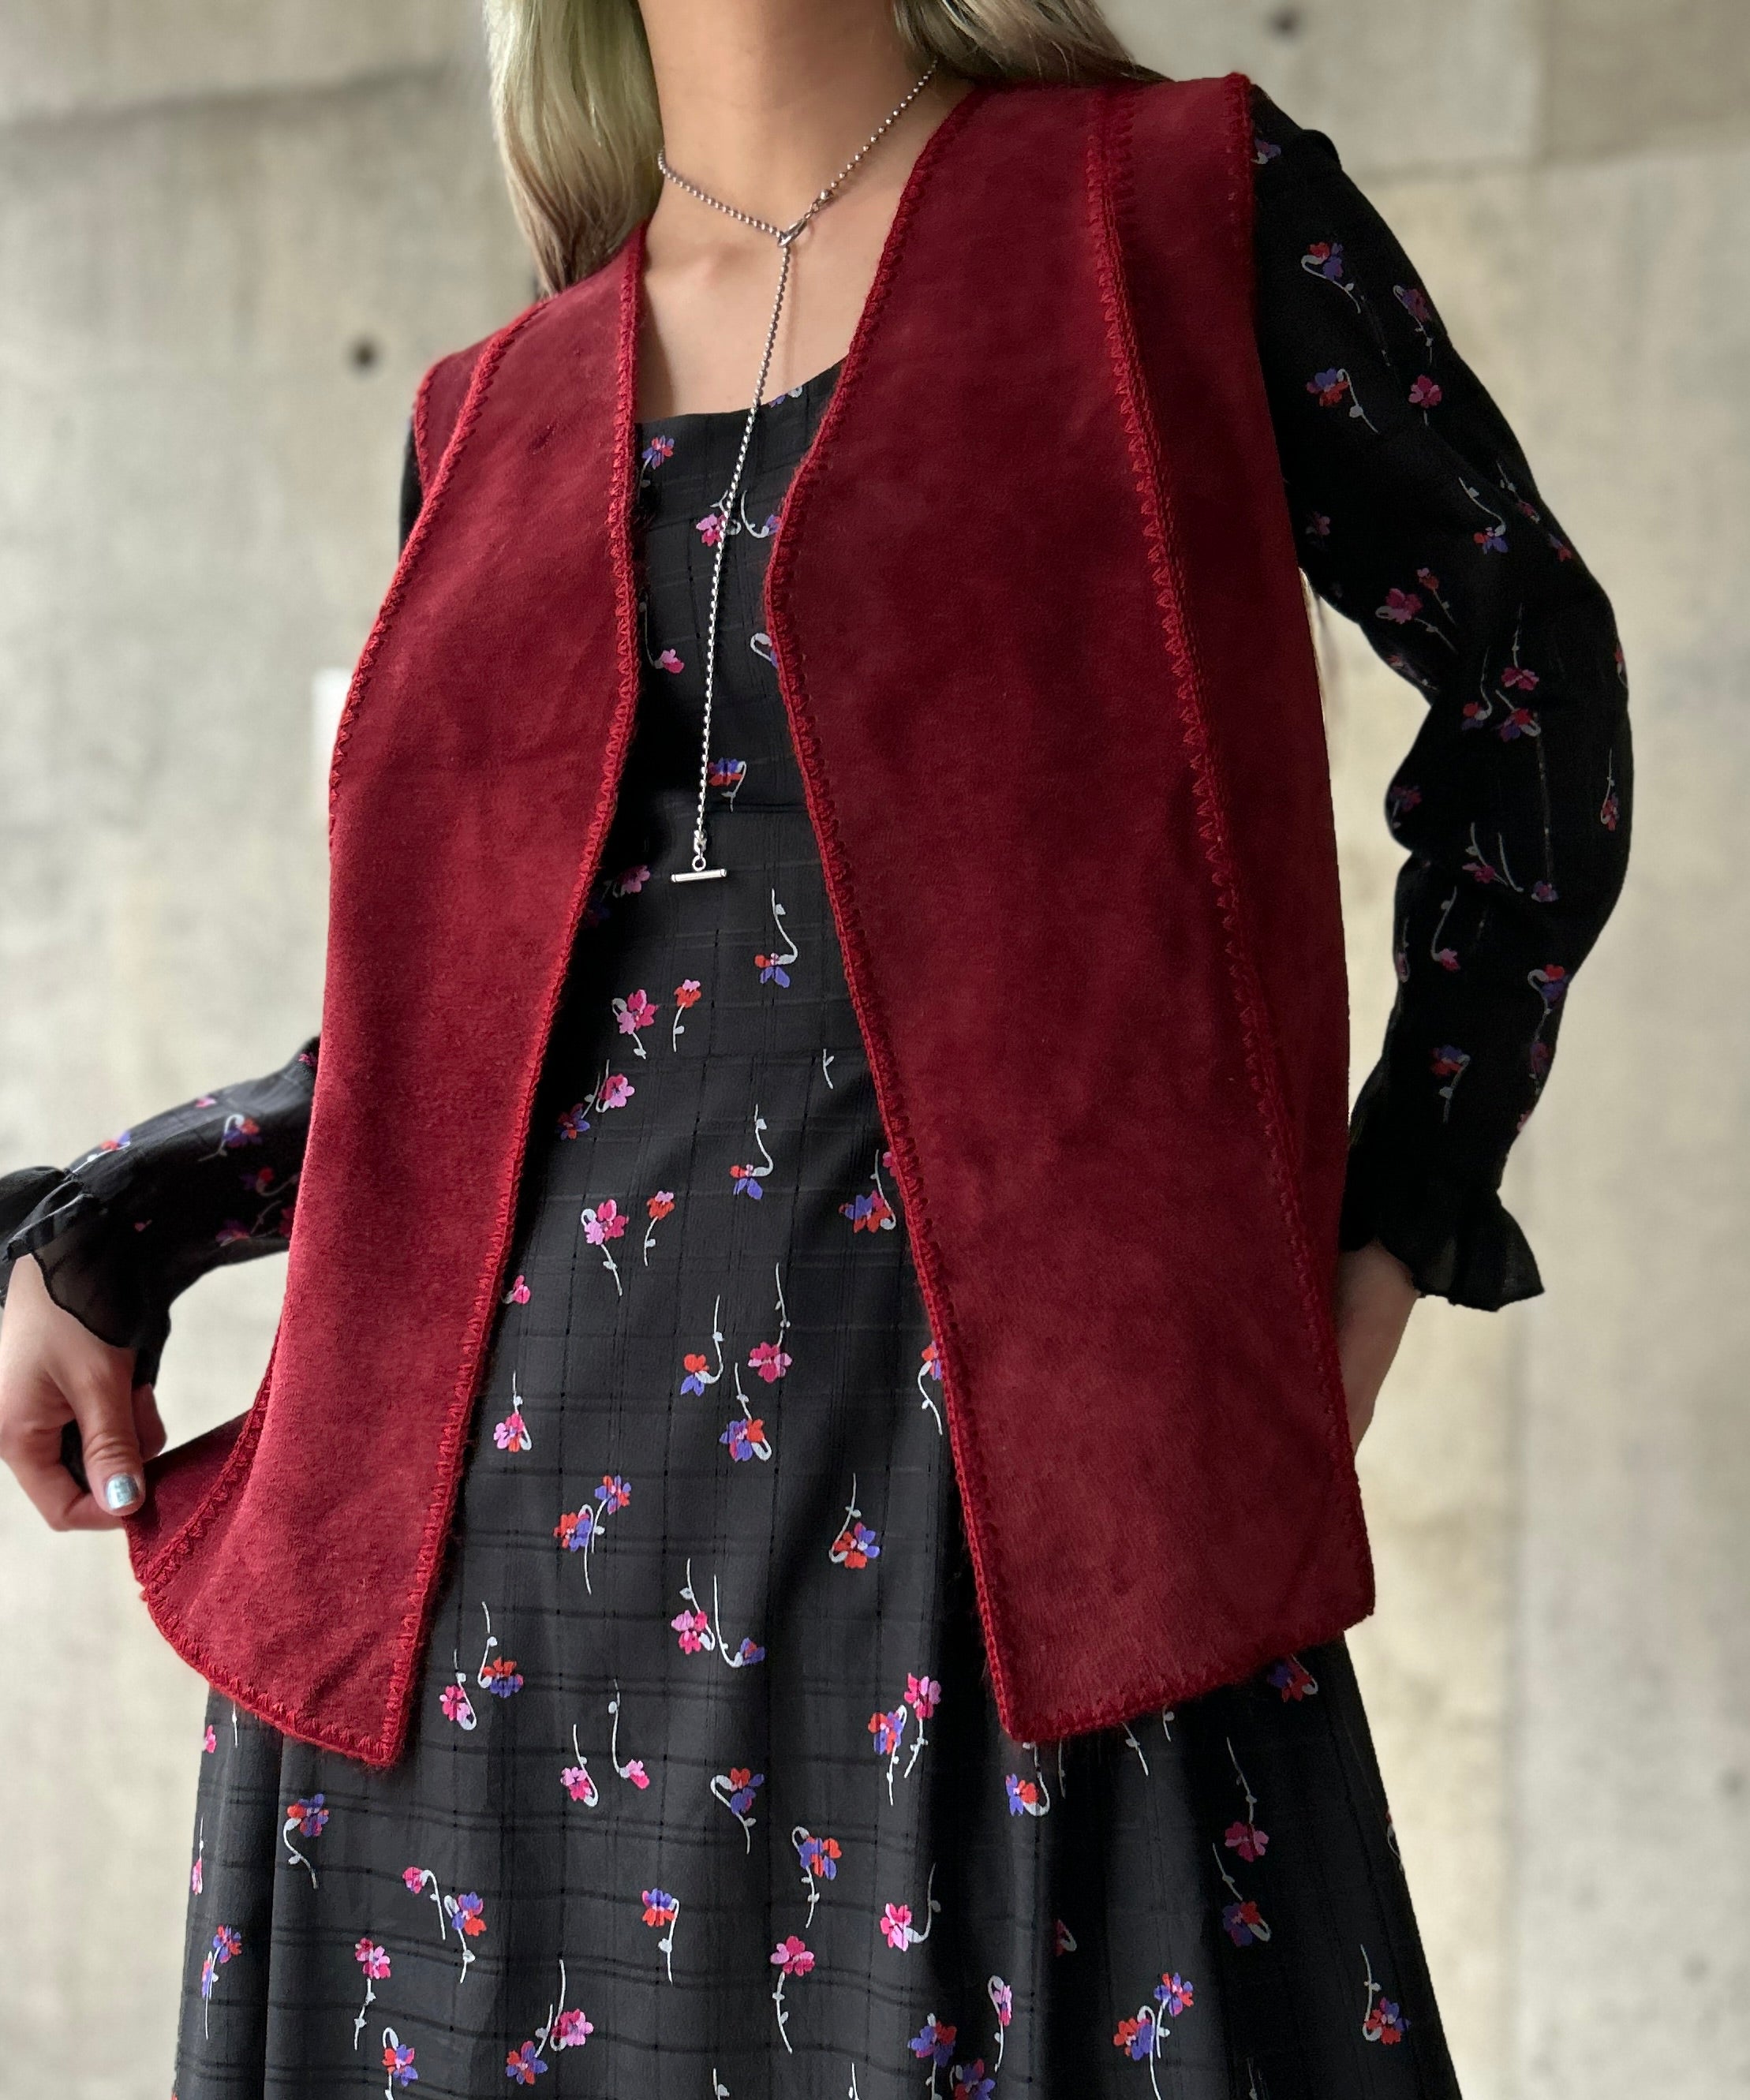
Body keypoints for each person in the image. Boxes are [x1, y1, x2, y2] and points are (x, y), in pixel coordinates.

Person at [0, 1, 1629, 2092]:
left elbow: (1529, 700)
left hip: (990, 1547)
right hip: (481, 1591)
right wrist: (105, 1235)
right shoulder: (486, 408)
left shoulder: (1178, 213)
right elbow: (449, 1028)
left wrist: (1386, 1234)